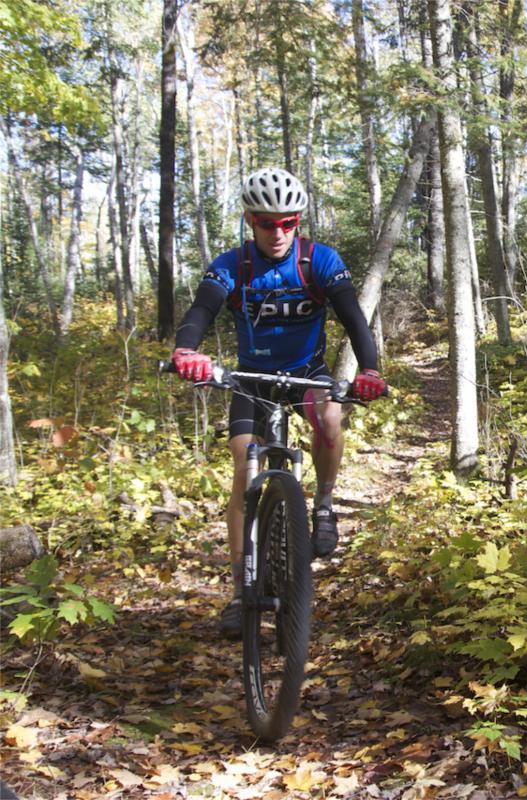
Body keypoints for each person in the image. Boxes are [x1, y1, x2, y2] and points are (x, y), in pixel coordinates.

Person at [171, 167, 386, 638]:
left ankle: (325, 505)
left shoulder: (319, 261)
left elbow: (353, 317)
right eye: (268, 223)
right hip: (252, 378)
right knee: (243, 469)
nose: (279, 232)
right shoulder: (234, 265)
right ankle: (239, 590)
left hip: (306, 373)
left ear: (298, 220)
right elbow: (202, 309)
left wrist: (368, 369)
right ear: (250, 220)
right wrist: (187, 350)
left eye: (288, 222)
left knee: (329, 417)